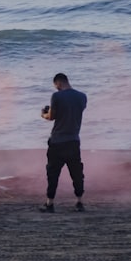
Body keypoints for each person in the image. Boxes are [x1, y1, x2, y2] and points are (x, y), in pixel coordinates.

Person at [39, 72, 87, 213]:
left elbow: (52, 117)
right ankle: (79, 203)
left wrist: (43, 113)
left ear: (58, 83)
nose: (56, 89)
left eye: (56, 86)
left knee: (53, 173)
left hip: (57, 142)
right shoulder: (82, 97)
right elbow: (73, 113)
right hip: (73, 141)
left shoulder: (57, 96)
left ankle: (50, 204)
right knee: (77, 173)